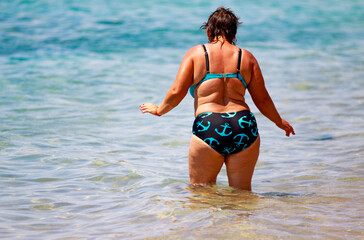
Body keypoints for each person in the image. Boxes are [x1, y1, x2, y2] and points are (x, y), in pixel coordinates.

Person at [139, 7, 295, 191]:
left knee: (201, 192)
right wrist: (278, 121)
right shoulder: (247, 57)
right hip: (243, 125)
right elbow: (263, 100)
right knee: (242, 195)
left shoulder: (196, 54)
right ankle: (242, 221)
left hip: (209, 126)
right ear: (234, 33)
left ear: (208, 31)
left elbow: (175, 92)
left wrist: (159, 110)